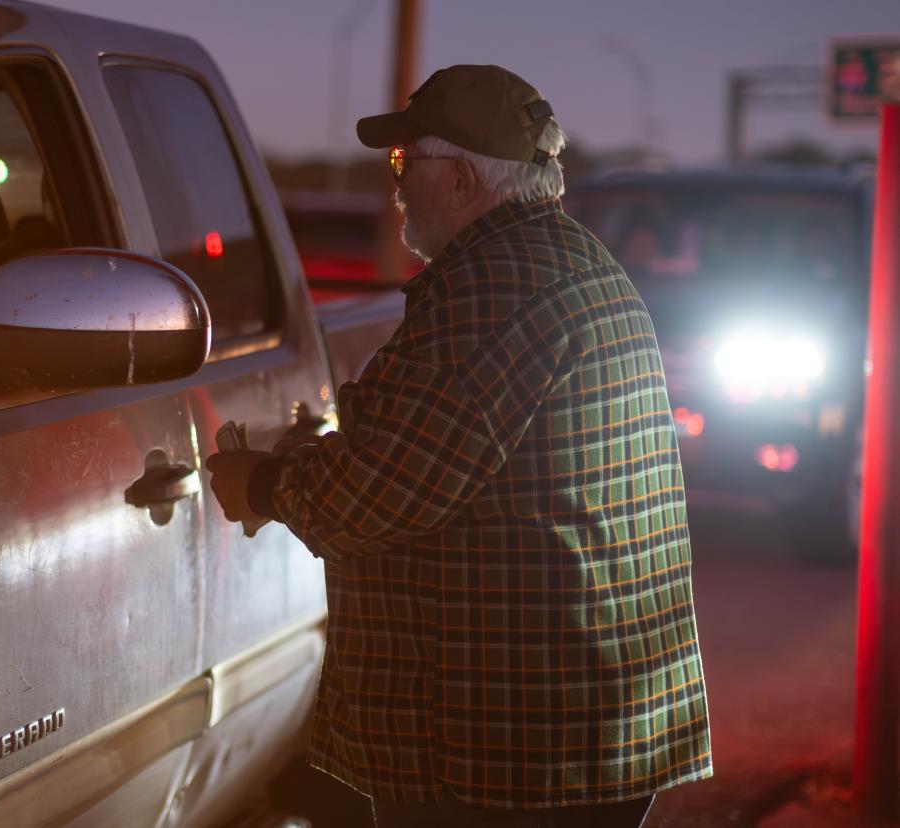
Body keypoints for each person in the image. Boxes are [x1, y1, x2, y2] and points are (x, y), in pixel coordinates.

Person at [205, 65, 712, 828]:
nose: (397, 185)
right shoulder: (568, 261)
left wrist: (261, 484)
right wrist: (330, 449)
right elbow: (453, 455)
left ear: (466, 179)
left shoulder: (491, 289)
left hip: (504, 752)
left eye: (407, 164)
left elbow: (376, 496)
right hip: (582, 724)